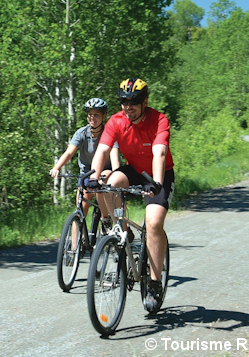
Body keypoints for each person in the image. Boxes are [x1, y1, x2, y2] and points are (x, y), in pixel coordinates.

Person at [88, 78, 175, 313]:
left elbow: (160, 152)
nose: (128, 106)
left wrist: (156, 183)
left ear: (144, 102)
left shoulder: (159, 120)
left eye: (134, 101)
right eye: (124, 101)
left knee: (154, 223)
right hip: (134, 169)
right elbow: (103, 149)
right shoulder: (116, 121)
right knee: (111, 181)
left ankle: (155, 283)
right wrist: (94, 177)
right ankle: (122, 231)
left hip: (159, 174)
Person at [49, 98, 120, 227]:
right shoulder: (81, 133)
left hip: (106, 173)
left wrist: (117, 176)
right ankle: (74, 246)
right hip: (87, 173)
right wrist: (57, 167)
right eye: (90, 114)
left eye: (96, 114)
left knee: (100, 183)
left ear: (104, 116)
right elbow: (69, 153)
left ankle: (105, 219)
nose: (92, 117)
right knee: (80, 210)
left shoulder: (109, 134)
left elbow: (115, 159)